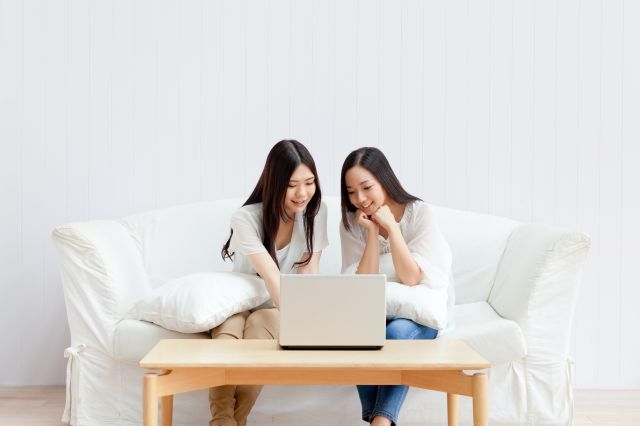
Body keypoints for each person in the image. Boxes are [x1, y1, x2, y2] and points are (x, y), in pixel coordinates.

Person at [211, 139, 328, 426]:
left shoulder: (317, 212)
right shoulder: (246, 218)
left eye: (309, 182)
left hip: (277, 306)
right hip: (240, 298)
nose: (303, 193)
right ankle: (223, 421)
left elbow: (309, 273)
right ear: (275, 183)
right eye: (291, 185)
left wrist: (309, 320)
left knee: (261, 330)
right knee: (229, 334)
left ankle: (228, 422)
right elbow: (271, 276)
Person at [339, 147, 452, 426]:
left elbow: (412, 278)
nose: (360, 199)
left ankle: (380, 421)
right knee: (360, 334)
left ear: (384, 181)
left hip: (419, 314)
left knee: (397, 331)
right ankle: (380, 420)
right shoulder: (353, 224)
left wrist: (393, 228)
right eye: (352, 192)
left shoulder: (420, 213)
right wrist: (372, 233)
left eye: (366, 188)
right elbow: (364, 285)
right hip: (377, 309)